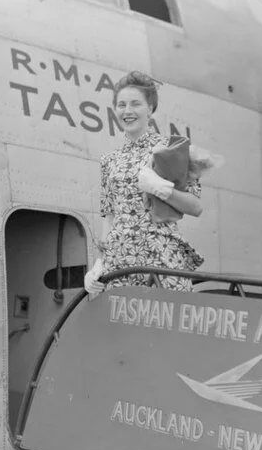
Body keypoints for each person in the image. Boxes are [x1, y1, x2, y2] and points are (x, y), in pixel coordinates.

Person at [84, 71, 204, 294]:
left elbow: (196, 207)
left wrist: (161, 188)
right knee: (123, 329)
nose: (127, 111)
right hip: (120, 263)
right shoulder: (109, 160)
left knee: (169, 326)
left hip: (160, 256)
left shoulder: (170, 149)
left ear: (150, 108)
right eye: (121, 105)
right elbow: (109, 217)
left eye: (135, 104)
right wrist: (99, 264)